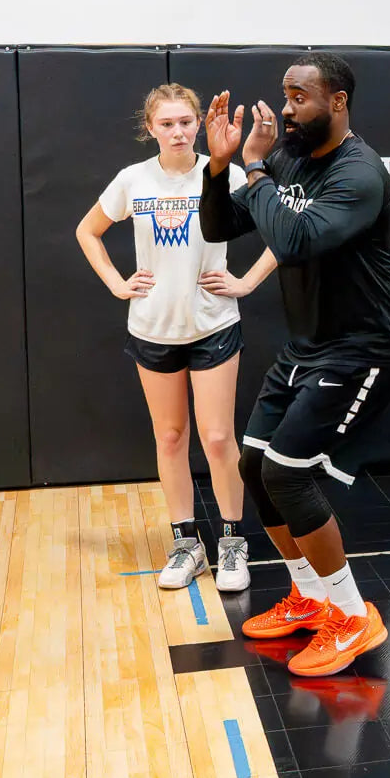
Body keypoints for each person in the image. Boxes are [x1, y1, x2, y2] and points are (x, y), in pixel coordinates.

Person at [199, 53, 390, 677]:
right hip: (308, 347)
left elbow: (293, 240)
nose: (288, 109)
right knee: (252, 465)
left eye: (300, 98)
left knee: (289, 473)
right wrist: (221, 164)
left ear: (338, 101)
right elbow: (220, 222)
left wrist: (257, 168)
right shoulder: (287, 158)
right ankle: (311, 598)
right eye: (285, 97)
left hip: (366, 347)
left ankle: (352, 617)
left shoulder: (360, 172)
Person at [77, 82, 277, 593]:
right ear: (151, 130)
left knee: (216, 438)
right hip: (153, 327)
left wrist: (247, 281)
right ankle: (186, 543)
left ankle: (233, 543)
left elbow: (288, 231)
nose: (178, 131)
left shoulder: (227, 174)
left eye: (185, 122)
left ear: (198, 125)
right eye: (166, 124)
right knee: (170, 437)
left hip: (212, 324)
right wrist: (117, 283)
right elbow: (87, 231)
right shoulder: (133, 180)